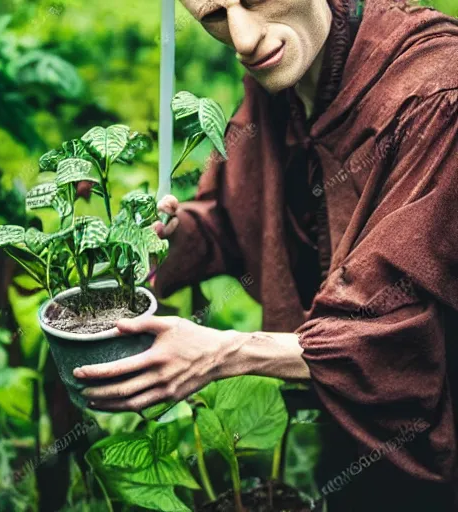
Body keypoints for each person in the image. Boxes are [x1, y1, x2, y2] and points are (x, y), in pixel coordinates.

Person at [73, 0, 458, 509]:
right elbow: (234, 219)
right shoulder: (283, 68)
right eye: (214, 15)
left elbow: (397, 331)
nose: (242, 40)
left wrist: (223, 353)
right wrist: (145, 243)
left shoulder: (436, 95)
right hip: (348, 430)